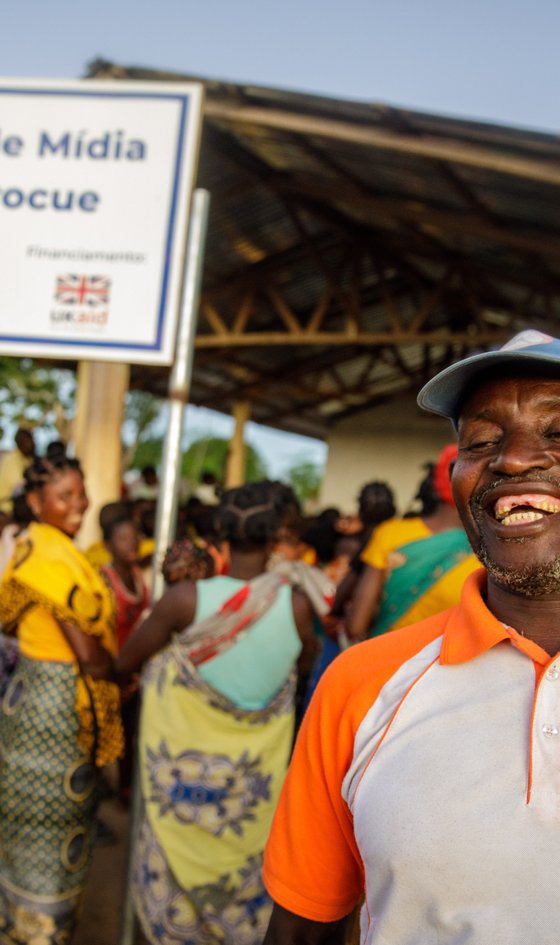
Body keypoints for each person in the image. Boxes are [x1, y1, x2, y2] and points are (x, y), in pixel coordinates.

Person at [262, 329, 560, 945]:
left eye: (558, 433)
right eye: (482, 442)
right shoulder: (360, 685)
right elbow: (302, 928)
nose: (512, 460)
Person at [116, 481, 332, 945]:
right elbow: (302, 669)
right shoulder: (296, 605)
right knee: (244, 868)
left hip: (178, 784)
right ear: (275, 535)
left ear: (219, 531)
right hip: (250, 791)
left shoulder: (184, 601)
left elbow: (125, 662)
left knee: (170, 867)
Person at [0, 455, 123, 944]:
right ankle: (40, 931)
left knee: (27, 827)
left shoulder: (42, 546)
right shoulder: (51, 557)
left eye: (81, 491)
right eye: (64, 495)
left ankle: (19, 924)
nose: (79, 503)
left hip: (32, 698)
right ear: (35, 502)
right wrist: (123, 669)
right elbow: (90, 657)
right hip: (55, 711)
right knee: (51, 832)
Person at [347, 444, 479, 640]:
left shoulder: (390, 533)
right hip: (448, 658)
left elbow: (356, 626)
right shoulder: (489, 551)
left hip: (388, 654)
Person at [0, 427, 35, 514]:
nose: (30, 444)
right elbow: (18, 486)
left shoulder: (28, 459)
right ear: (18, 443)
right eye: (26, 442)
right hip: (6, 508)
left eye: (31, 440)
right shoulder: (12, 460)